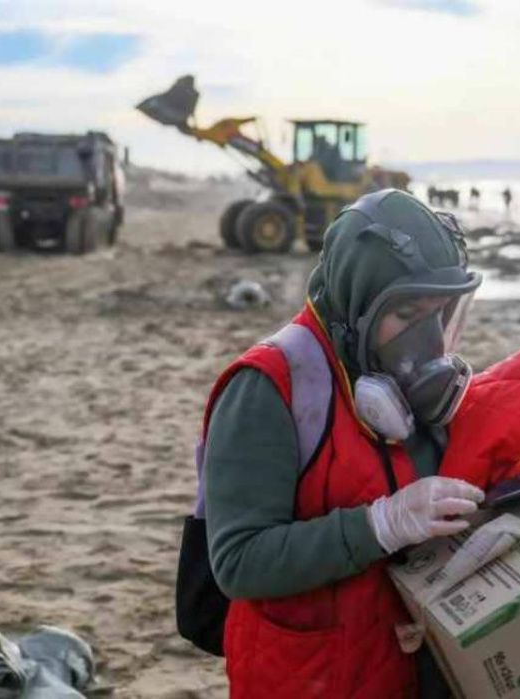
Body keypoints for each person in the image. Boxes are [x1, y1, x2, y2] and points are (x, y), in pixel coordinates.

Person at [200, 189, 483, 697]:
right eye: (407, 314)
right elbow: (238, 561)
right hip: (310, 676)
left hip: (399, 667)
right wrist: (378, 525)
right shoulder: (268, 388)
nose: (428, 342)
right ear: (358, 302)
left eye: (439, 315)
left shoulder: (405, 384)